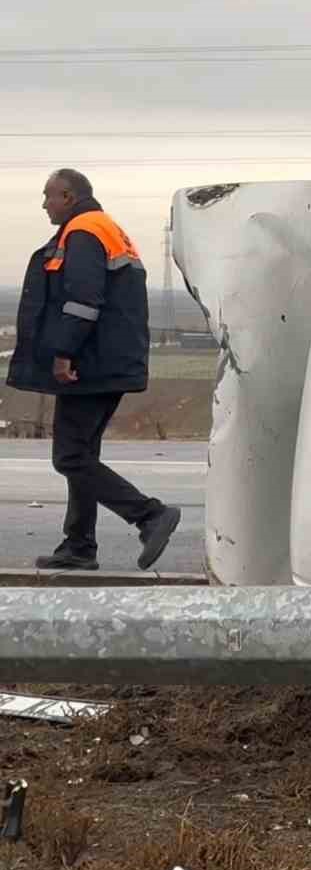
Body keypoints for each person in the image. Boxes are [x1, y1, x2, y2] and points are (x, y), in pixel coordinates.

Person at [6, 169, 180, 571]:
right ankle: (79, 545)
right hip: (109, 361)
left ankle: (149, 515)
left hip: (90, 365)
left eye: (48, 196)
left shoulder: (83, 231)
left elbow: (83, 301)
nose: (44, 204)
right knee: (83, 454)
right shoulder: (107, 228)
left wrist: (63, 353)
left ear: (68, 196)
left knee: (69, 457)